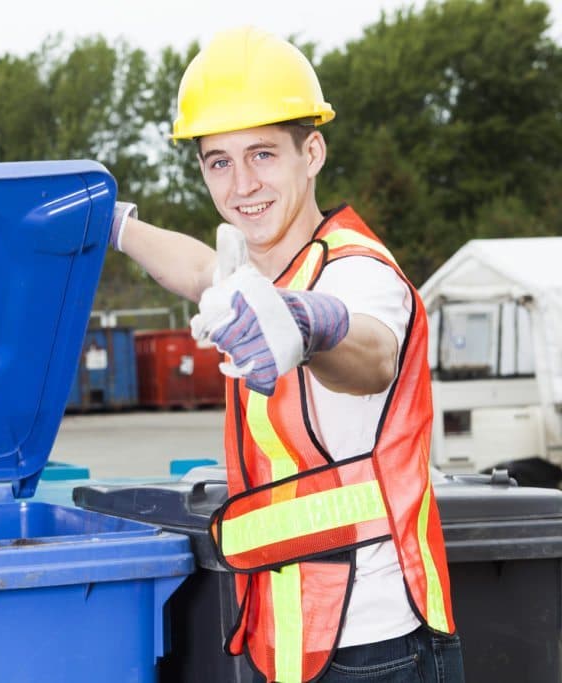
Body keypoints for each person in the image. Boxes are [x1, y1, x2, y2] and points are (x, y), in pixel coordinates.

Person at [109, 26, 464, 683]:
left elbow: (374, 353)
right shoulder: (260, 277)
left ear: (313, 152)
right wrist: (115, 222)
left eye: (264, 154)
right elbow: (197, 267)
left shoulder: (357, 268)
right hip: (282, 638)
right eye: (219, 161)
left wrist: (311, 324)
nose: (242, 183)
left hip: (376, 647)